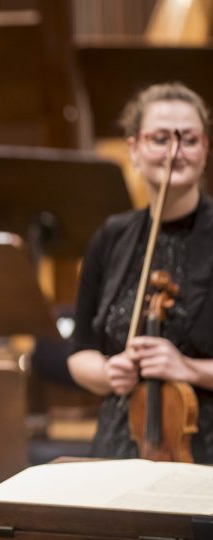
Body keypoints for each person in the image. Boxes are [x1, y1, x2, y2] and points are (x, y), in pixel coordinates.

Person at [68, 82, 213, 462]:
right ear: (133, 149)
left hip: (202, 451)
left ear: (205, 150)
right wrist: (108, 372)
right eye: (160, 138)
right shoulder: (112, 236)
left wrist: (189, 368)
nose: (175, 152)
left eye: (189, 139)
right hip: (118, 446)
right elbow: (80, 352)